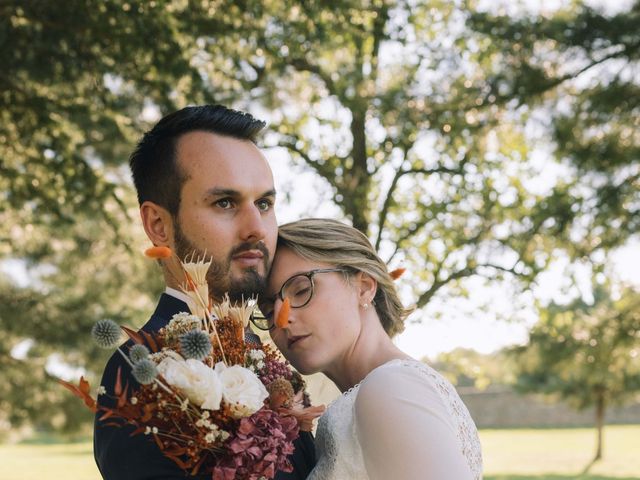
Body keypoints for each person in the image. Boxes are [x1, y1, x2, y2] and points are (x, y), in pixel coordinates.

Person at [94, 105, 316, 479]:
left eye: (264, 204)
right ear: (159, 225)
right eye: (225, 203)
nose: (256, 228)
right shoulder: (144, 369)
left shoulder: (269, 354)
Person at [256, 218, 483, 480]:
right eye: (268, 311)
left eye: (301, 290)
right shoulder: (376, 392)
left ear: (364, 287)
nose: (283, 319)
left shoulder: (391, 387)